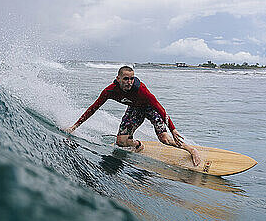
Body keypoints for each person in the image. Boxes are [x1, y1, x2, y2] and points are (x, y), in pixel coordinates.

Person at [66, 66, 203, 166]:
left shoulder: (141, 90)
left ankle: (191, 149)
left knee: (165, 139)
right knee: (120, 142)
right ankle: (138, 145)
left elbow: (159, 106)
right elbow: (93, 109)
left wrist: (172, 129)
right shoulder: (109, 91)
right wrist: (75, 126)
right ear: (118, 79)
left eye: (132, 79)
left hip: (150, 109)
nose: (129, 82)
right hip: (134, 109)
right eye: (126, 79)